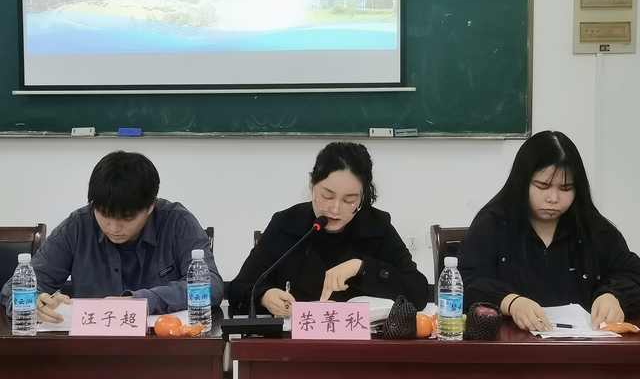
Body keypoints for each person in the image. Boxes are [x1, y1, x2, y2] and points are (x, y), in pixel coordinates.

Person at [0, 151, 224, 321]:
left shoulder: (176, 223)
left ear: (150, 206)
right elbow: (13, 288)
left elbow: (211, 286)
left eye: (127, 218)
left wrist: (140, 302)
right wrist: (33, 303)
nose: (114, 227)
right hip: (91, 348)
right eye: (105, 215)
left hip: (164, 346)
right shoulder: (78, 226)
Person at [458, 130, 640, 331]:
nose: (553, 198)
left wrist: (613, 296)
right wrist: (511, 302)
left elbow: (631, 273)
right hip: (509, 343)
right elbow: (466, 281)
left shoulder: (594, 229)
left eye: (565, 188)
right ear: (522, 182)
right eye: (542, 186)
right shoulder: (492, 225)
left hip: (583, 344)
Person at [228, 142, 429, 316]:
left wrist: (362, 268)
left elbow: (419, 293)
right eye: (327, 196)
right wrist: (264, 296)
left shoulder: (377, 227)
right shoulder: (286, 224)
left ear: (362, 197)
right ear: (311, 184)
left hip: (361, 345)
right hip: (295, 345)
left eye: (349, 200)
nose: (335, 209)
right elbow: (238, 288)